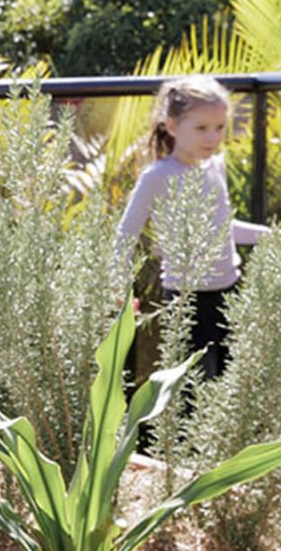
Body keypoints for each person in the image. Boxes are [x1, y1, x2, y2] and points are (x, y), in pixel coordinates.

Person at [114, 74, 269, 378]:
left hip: (229, 295)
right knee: (191, 389)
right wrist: (119, 288)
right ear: (172, 126)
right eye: (201, 128)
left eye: (219, 128)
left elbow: (220, 228)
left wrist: (269, 236)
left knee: (232, 384)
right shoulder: (157, 176)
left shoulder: (215, 167)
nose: (212, 137)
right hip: (186, 301)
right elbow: (126, 234)